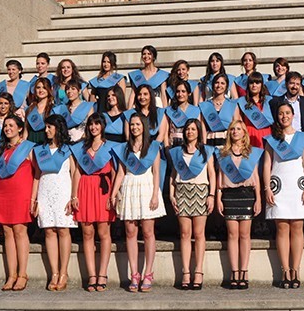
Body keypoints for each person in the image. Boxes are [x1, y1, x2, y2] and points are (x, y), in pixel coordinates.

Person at [111, 113, 165, 292]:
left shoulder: (153, 147)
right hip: (130, 186)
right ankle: (134, 274)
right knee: (130, 231)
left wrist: (155, 195)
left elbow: (157, 172)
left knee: (148, 232)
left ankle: (148, 273)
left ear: (144, 126)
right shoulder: (125, 149)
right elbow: (120, 172)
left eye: (137, 124)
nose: (134, 127)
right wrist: (113, 193)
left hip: (147, 187)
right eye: (132, 125)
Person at [263, 104, 304, 288]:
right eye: (281, 113)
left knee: (298, 228)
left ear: (293, 115)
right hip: (279, 187)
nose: (284, 116)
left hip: (297, 187)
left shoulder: (303, 138)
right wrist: (267, 188)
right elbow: (267, 165)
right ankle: (285, 270)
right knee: (282, 229)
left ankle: (296, 269)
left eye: (287, 113)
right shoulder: (272, 139)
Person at [71, 113, 116, 292]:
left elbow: (114, 172)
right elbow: (77, 172)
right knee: (87, 232)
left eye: (97, 124)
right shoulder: (81, 147)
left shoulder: (110, 147)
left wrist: (113, 194)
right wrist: (74, 195)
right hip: (85, 188)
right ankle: (91, 275)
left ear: (103, 126)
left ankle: (102, 273)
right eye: (91, 124)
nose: (93, 127)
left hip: (103, 188)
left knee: (104, 232)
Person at [169, 120, 216, 290]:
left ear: (198, 132)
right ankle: (186, 271)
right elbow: (173, 175)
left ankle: (198, 270)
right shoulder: (177, 152)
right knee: (184, 233)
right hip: (182, 192)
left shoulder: (206, 151)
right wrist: (171, 194)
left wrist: (211, 195)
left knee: (199, 233)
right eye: (187, 129)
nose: (190, 132)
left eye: (193, 129)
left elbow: (212, 174)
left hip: (200, 191)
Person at [31, 114, 76, 292]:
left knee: (63, 229)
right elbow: (36, 175)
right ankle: (54, 272)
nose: (46, 130)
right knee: (49, 230)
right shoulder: (40, 150)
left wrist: (74, 196)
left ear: (58, 128)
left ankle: (64, 272)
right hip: (45, 190)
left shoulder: (69, 150)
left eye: (50, 127)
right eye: (46, 127)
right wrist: (33, 199)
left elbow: (74, 173)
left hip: (63, 190)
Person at [216, 120, 262, 289]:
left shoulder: (251, 153)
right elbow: (220, 178)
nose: (235, 132)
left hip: (246, 194)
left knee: (245, 235)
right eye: (233, 129)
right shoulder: (223, 154)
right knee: (232, 234)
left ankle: (244, 271)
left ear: (244, 133)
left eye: (239, 129)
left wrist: (258, 198)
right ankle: (234, 272)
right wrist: (218, 198)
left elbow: (256, 177)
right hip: (229, 195)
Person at [0, 115, 36, 291]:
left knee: (19, 230)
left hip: (21, 192)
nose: (7, 128)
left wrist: (34, 198)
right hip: (4, 191)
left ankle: (22, 273)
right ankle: (11, 274)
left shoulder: (28, 148)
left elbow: (38, 174)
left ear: (20, 128)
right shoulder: (0, 149)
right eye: (5, 125)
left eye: (11, 125)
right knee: (7, 231)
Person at [200, 73, 239, 147]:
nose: (219, 86)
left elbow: (235, 126)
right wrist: (204, 146)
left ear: (227, 86)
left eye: (222, 83)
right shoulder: (205, 105)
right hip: (210, 142)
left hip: (227, 143)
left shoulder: (232, 105)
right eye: (217, 83)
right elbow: (203, 128)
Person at [238, 72, 274, 149]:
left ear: (262, 85)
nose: (254, 85)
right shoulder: (242, 101)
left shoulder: (269, 101)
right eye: (251, 83)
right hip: (249, 135)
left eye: (257, 82)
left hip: (267, 134)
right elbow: (239, 121)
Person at [53, 79, 94, 143]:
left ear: (79, 91)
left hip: (83, 142)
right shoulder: (63, 108)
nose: (69, 91)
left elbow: (91, 125)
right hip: (66, 143)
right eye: (67, 89)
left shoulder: (87, 106)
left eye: (73, 88)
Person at [164, 81, 201, 147]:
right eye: (178, 91)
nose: (180, 94)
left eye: (183, 91)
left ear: (189, 93)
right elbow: (166, 131)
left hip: (190, 145)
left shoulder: (196, 110)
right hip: (173, 144)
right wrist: (167, 147)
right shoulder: (169, 110)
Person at [24, 77, 54, 144]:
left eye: (44, 87)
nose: (41, 90)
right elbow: (26, 131)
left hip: (45, 145)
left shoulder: (54, 109)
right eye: (38, 87)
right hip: (30, 144)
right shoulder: (30, 109)